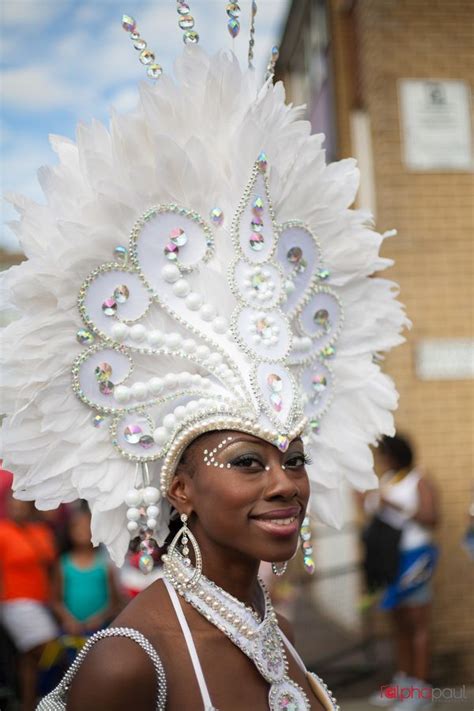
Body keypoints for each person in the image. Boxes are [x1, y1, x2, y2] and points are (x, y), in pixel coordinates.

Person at [0, 9, 408, 711]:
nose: (286, 483)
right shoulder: (130, 663)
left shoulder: (265, 632)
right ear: (180, 489)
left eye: (294, 457)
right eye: (249, 460)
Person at [366, 435, 439, 710]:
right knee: (398, 623)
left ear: (398, 454)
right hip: (389, 558)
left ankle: (421, 691)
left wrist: (395, 506)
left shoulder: (418, 479)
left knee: (417, 622)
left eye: (384, 454)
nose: (381, 460)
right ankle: (404, 682)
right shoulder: (387, 480)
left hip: (415, 557)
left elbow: (432, 518)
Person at [0, 493, 59, 711]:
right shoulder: (2, 531)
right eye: (12, 506)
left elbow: (51, 566)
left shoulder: (40, 531)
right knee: (50, 649)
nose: (17, 510)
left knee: (28, 660)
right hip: (15, 601)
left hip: (41, 601)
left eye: (21, 506)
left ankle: (28, 704)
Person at [51, 505, 123, 638]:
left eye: (87, 526)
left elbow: (115, 603)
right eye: (77, 526)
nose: (82, 530)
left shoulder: (105, 565)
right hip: (71, 633)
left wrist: (99, 619)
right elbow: (55, 601)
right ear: (69, 531)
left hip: (100, 631)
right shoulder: (63, 564)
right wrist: (68, 620)